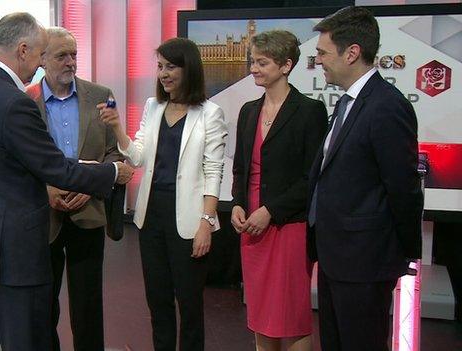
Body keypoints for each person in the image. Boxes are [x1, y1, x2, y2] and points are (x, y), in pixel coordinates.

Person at [0, 13, 133, 351]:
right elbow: (55, 169)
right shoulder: (14, 102)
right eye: (40, 54)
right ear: (23, 50)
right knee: (27, 340)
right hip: (14, 251)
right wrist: (113, 173)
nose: (38, 65)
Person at [100, 37, 227, 351]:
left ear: (189, 69)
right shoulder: (153, 106)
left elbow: (214, 172)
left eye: (171, 67)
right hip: (151, 216)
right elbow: (139, 156)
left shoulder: (210, 113)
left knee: (190, 304)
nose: (164, 74)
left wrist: (205, 223)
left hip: (189, 219)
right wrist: (117, 128)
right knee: (158, 301)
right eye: (160, 67)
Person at [308, 6, 423, 351]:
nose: (318, 62)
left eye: (323, 53)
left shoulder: (386, 106)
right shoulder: (347, 104)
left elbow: (403, 190)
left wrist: (405, 254)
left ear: (352, 52)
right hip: (335, 258)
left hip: (365, 263)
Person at [25, 27, 125, 351]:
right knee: (43, 307)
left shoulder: (101, 95)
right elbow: (18, 161)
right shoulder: (24, 102)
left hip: (89, 212)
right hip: (43, 218)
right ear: (41, 60)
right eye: (62, 56)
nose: (71, 62)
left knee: (88, 306)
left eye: (74, 55)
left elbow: (114, 153)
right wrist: (46, 190)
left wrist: (92, 187)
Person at [230, 30, 328, 351]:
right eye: (252, 62)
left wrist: (270, 210)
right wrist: (238, 205)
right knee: (260, 314)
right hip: (252, 228)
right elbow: (241, 169)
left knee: (292, 314)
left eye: (262, 62)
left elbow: (310, 178)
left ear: (286, 65)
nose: (253, 68)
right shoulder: (248, 110)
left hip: (289, 226)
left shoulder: (309, 111)